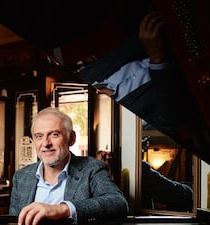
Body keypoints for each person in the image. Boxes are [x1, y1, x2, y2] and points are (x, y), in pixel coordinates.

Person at [80, 11, 210, 163]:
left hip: (171, 26)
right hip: (195, 65)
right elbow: (169, 120)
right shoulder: (129, 120)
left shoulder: (88, 75)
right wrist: (157, 58)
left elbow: (129, 41)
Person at [9, 107, 128, 225]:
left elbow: (118, 203)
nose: (45, 143)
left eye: (54, 135)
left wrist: (63, 209)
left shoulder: (92, 169)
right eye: (39, 136)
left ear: (71, 139)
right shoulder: (21, 177)